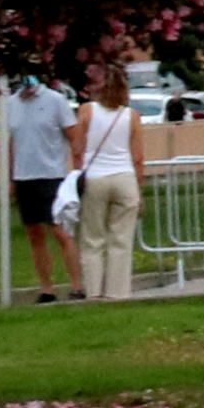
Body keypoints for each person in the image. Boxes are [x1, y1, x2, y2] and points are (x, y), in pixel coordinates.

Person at [0, 72, 81, 297]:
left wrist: (76, 171)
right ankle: (46, 288)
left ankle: (76, 285)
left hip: (52, 175)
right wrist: (10, 178)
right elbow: (10, 143)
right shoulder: (10, 104)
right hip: (24, 177)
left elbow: (74, 136)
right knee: (34, 233)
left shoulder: (55, 100)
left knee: (60, 231)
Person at [68, 56, 142, 298]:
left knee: (93, 239)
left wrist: (77, 172)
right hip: (124, 176)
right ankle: (118, 293)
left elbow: (77, 148)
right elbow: (138, 156)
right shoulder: (131, 115)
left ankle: (94, 292)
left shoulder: (87, 111)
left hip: (96, 177)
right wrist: (139, 189)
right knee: (121, 240)